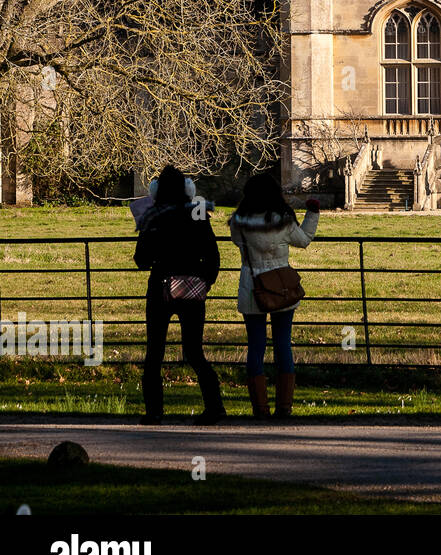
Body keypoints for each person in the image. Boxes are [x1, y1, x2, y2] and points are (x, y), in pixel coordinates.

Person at [134, 165, 224, 425]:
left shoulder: (153, 215)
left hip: (161, 286)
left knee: (154, 353)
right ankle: (214, 407)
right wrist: (206, 282)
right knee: (195, 352)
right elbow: (212, 254)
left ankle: (154, 412)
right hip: (193, 286)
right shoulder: (197, 213)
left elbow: (141, 259)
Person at [229, 173, 319, 419]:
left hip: (252, 284)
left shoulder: (239, 221)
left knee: (256, 347)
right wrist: (312, 214)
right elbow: (304, 240)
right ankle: (284, 407)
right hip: (281, 286)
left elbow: (237, 242)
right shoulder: (284, 221)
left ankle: (259, 408)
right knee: (282, 344)